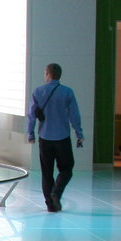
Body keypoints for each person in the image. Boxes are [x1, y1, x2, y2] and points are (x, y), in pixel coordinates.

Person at [27, 62, 84, 213]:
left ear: (47, 74)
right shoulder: (67, 92)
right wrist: (79, 133)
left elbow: (31, 115)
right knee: (66, 169)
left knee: (47, 173)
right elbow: (74, 115)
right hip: (62, 137)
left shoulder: (38, 91)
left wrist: (30, 133)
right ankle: (56, 193)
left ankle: (50, 205)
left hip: (45, 138)